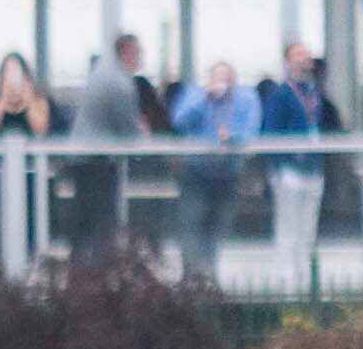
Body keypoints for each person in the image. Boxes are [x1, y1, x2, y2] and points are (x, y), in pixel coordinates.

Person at [69, 33, 155, 259]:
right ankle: (96, 272)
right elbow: (129, 130)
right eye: (139, 51)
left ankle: (81, 269)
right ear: (127, 51)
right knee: (101, 221)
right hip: (98, 161)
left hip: (85, 158)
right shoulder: (118, 81)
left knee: (85, 220)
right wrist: (142, 133)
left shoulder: (103, 73)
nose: (141, 57)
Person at [258, 40, 345, 262]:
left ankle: (305, 281)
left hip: (312, 168)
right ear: (288, 61)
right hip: (289, 169)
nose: (304, 58)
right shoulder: (281, 94)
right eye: (298, 54)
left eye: (306, 54)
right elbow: (270, 133)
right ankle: (288, 284)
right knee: (289, 228)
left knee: (308, 229)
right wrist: (279, 165)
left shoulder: (313, 93)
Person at [170, 59, 259, 263]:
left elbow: (250, 132)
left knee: (220, 224)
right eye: (217, 78)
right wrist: (204, 98)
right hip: (195, 171)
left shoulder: (246, 100)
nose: (222, 83)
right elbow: (179, 122)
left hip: (227, 172)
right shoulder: (194, 95)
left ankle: (211, 271)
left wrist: (230, 139)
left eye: (227, 78)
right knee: (193, 221)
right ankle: (193, 274)